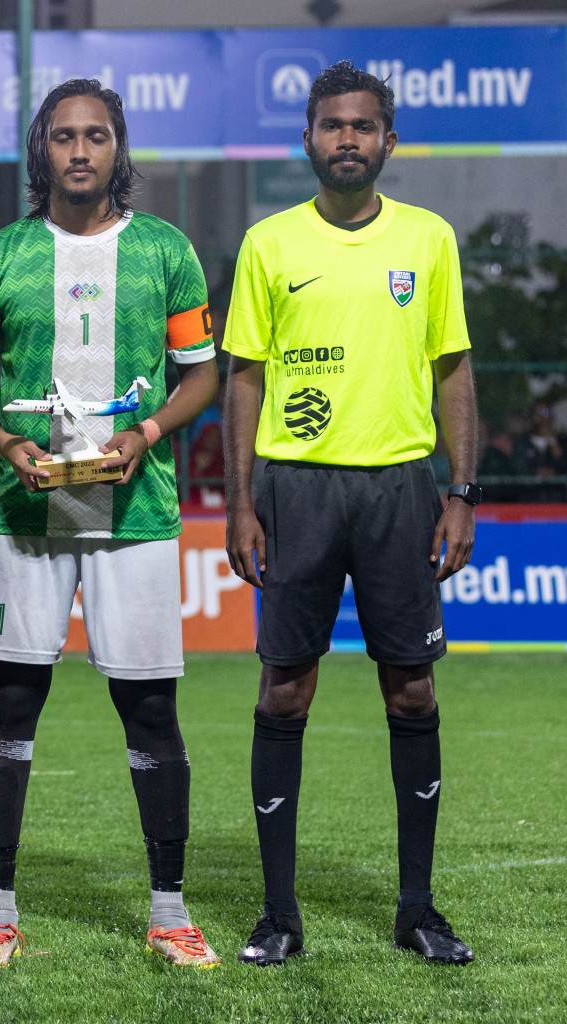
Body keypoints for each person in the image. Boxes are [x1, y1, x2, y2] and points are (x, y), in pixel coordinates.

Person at [0, 79, 222, 971]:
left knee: (149, 708)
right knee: (12, 702)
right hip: (24, 512)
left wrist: (146, 432)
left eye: (96, 136)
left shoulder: (168, 251)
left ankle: (170, 911)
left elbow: (201, 375)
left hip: (135, 513)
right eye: (63, 137)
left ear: (118, 148)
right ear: (41, 152)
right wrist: (5, 444)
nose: (80, 151)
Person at [222, 61, 479, 967]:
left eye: (363, 127)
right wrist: (241, 504)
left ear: (388, 140)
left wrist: (458, 491)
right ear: (307, 140)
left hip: (401, 490)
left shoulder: (430, 241)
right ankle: (279, 912)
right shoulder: (269, 245)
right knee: (284, 688)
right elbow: (243, 378)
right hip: (296, 490)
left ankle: (417, 907)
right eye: (331, 126)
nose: (347, 140)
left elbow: (453, 370)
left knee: (411, 687)